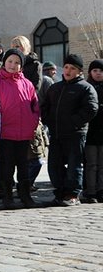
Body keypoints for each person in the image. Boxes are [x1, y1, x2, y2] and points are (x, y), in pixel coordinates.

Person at [41, 54, 98, 207]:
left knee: (74, 165)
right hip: (56, 133)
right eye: (66, 67)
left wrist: (74, 123)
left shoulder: (85, 88)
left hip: (75, 134)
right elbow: (45, 107)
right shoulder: (55, 87)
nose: (68, 71)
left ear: (79, 71)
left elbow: (91, 109)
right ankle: (60, 192)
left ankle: (72, 194)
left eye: (72, 68)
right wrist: (49, 122)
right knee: (54, 166)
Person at [0, 49, 40, 209]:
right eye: (10, 61)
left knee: (24, 166)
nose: (13, 65)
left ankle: (25, 195)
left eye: (17, 62)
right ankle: (7, 195)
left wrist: (31, 124)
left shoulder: (27, 84)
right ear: (4, 63)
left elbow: (35, 107)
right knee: (7, 165)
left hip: (24, 133)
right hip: (6, 133)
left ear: (22, 66)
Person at [84, 59, 103, 203]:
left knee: (101, 164)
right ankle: (91, 191)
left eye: (101, 71)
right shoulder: (87, 87)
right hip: (90, 132)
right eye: (95, 70)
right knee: (91, 164)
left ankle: (101, 189)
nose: (98, 73)